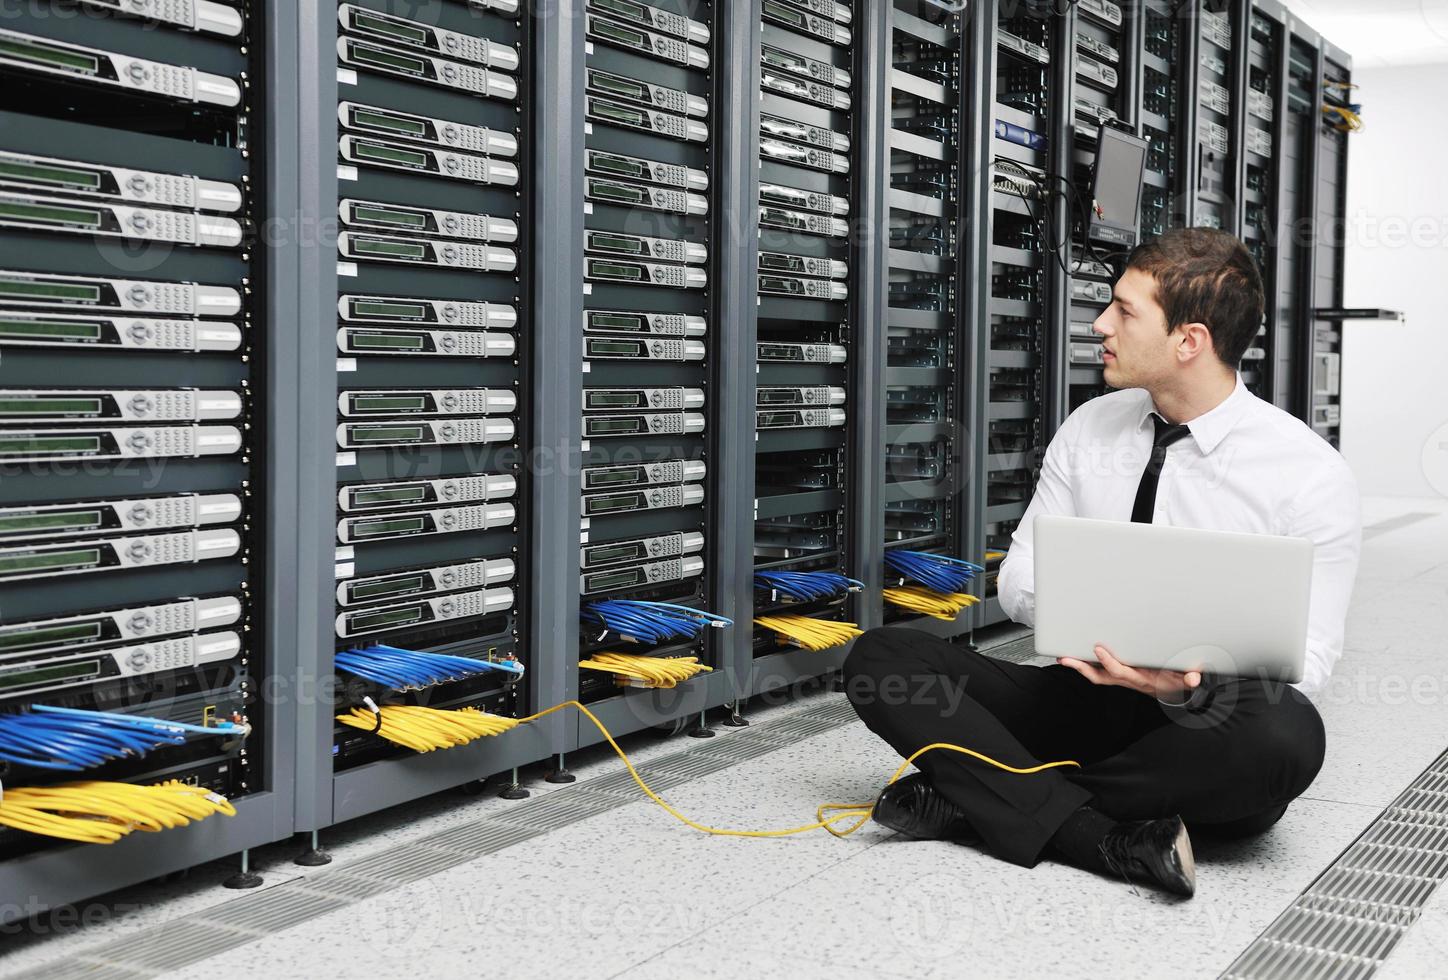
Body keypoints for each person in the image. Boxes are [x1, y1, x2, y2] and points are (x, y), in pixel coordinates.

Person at [844, 228, 1361, 897]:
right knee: (882, 662)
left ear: (1189, 341)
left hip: (1193, 722)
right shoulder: (1091, 427)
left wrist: (1176, 679)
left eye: (1124, 310)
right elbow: (1020, 579)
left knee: (1287, 740)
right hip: (1079, 691)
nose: (1100, 324)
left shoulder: (1309, 474)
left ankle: (987, 798)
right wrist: (1100, 623)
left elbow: (1310, 658)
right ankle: (1101, 837)